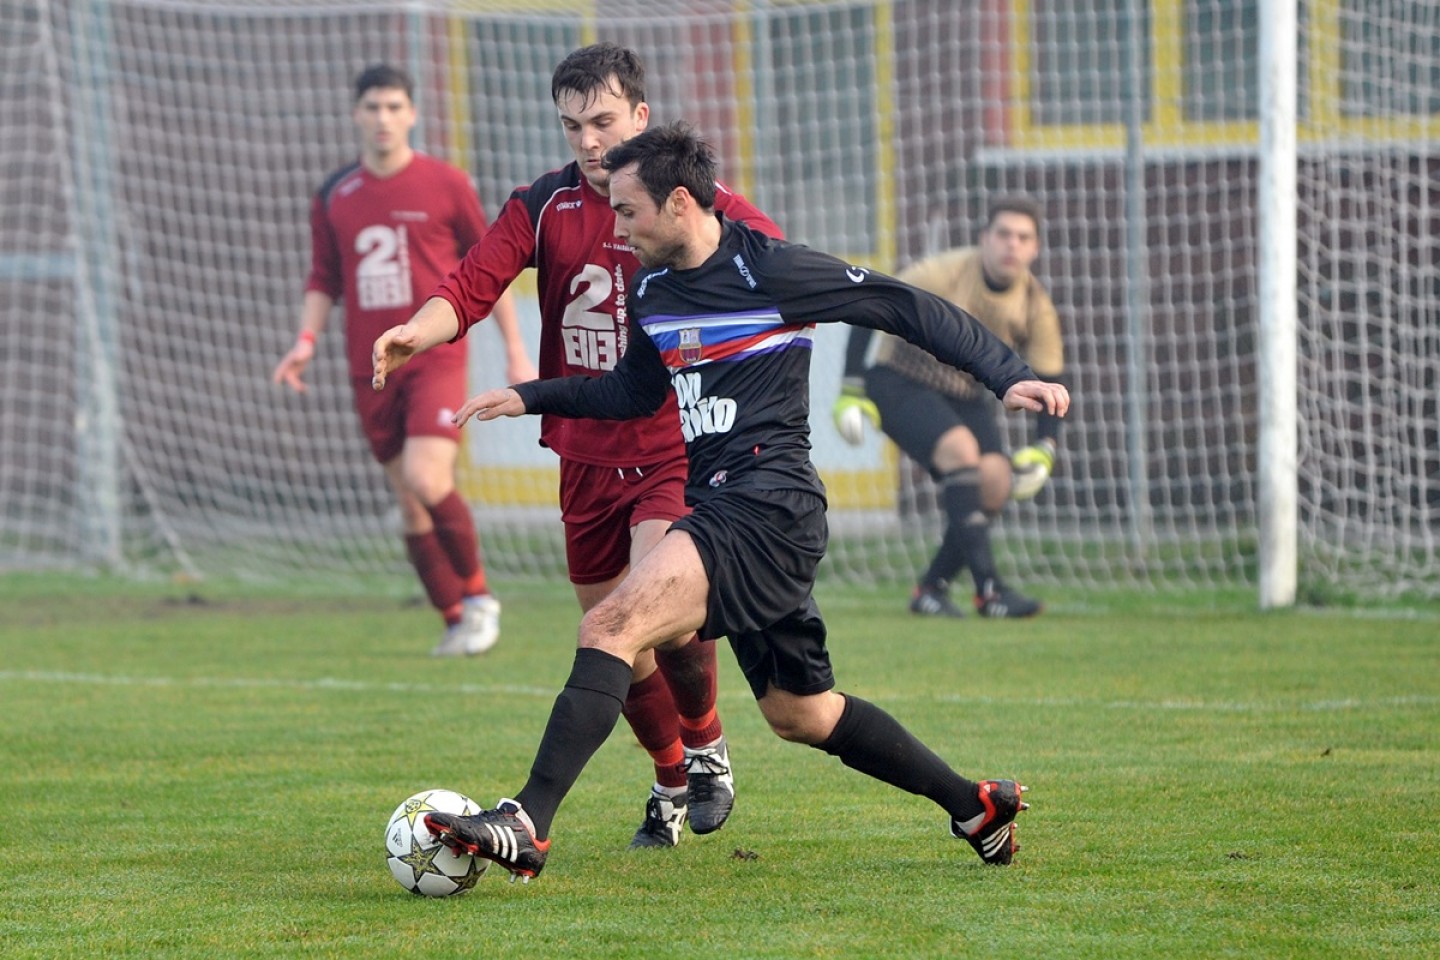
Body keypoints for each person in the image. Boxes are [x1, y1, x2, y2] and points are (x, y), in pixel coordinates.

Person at [418, 122, 1070, 881]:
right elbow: (633, 391)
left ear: (680, 202)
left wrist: (1006, 374)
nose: (617, 229)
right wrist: (528, 396)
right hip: (725, 508)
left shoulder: (774, 272)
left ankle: (527, 821)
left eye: (627, 212)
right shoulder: (654, 289)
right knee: (801, 714)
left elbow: (903, 306)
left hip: (769, 504)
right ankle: (974, 805)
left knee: (611, 622)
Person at [369, 44, 784, 849]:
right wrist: (415, 334)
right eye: (571, 126)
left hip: (672, 445)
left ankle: (706, 743)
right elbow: (470, 286)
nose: (588, 142)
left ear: (638, 116)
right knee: (615, 642)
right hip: (585, 452)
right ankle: (668, 775)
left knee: (654, 615)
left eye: (601, 121)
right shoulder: (542, 204)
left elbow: (772, 260)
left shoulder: (691, 199)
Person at [271, 64, 535, 658]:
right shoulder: (335, 194)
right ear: (355, 115)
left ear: (412, 113)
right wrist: (304, 342)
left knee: (426, 477)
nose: (383, 118)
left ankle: (480, 597)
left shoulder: (445, 184)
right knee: (409, 503)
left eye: (394, 106)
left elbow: (489, 268)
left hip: (435, 357)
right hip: (370, 367)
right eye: (372, 107)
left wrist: (516, 350)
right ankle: (452, 616)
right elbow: (324, 277)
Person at [833, 196, 1065, 619]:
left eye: (1023, 238)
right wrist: (851, 387)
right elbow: (871, 303)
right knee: (962, 452)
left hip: (964, 393)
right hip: (899, 378)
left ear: (1035, 249)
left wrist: (1045, 447)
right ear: (984, 239)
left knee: (995, 482)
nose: (1011, 245)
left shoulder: (1035, 304)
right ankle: (990, 590)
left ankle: (931, 588)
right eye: (1003, 234)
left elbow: (1051, 381)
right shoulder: (943, 272)